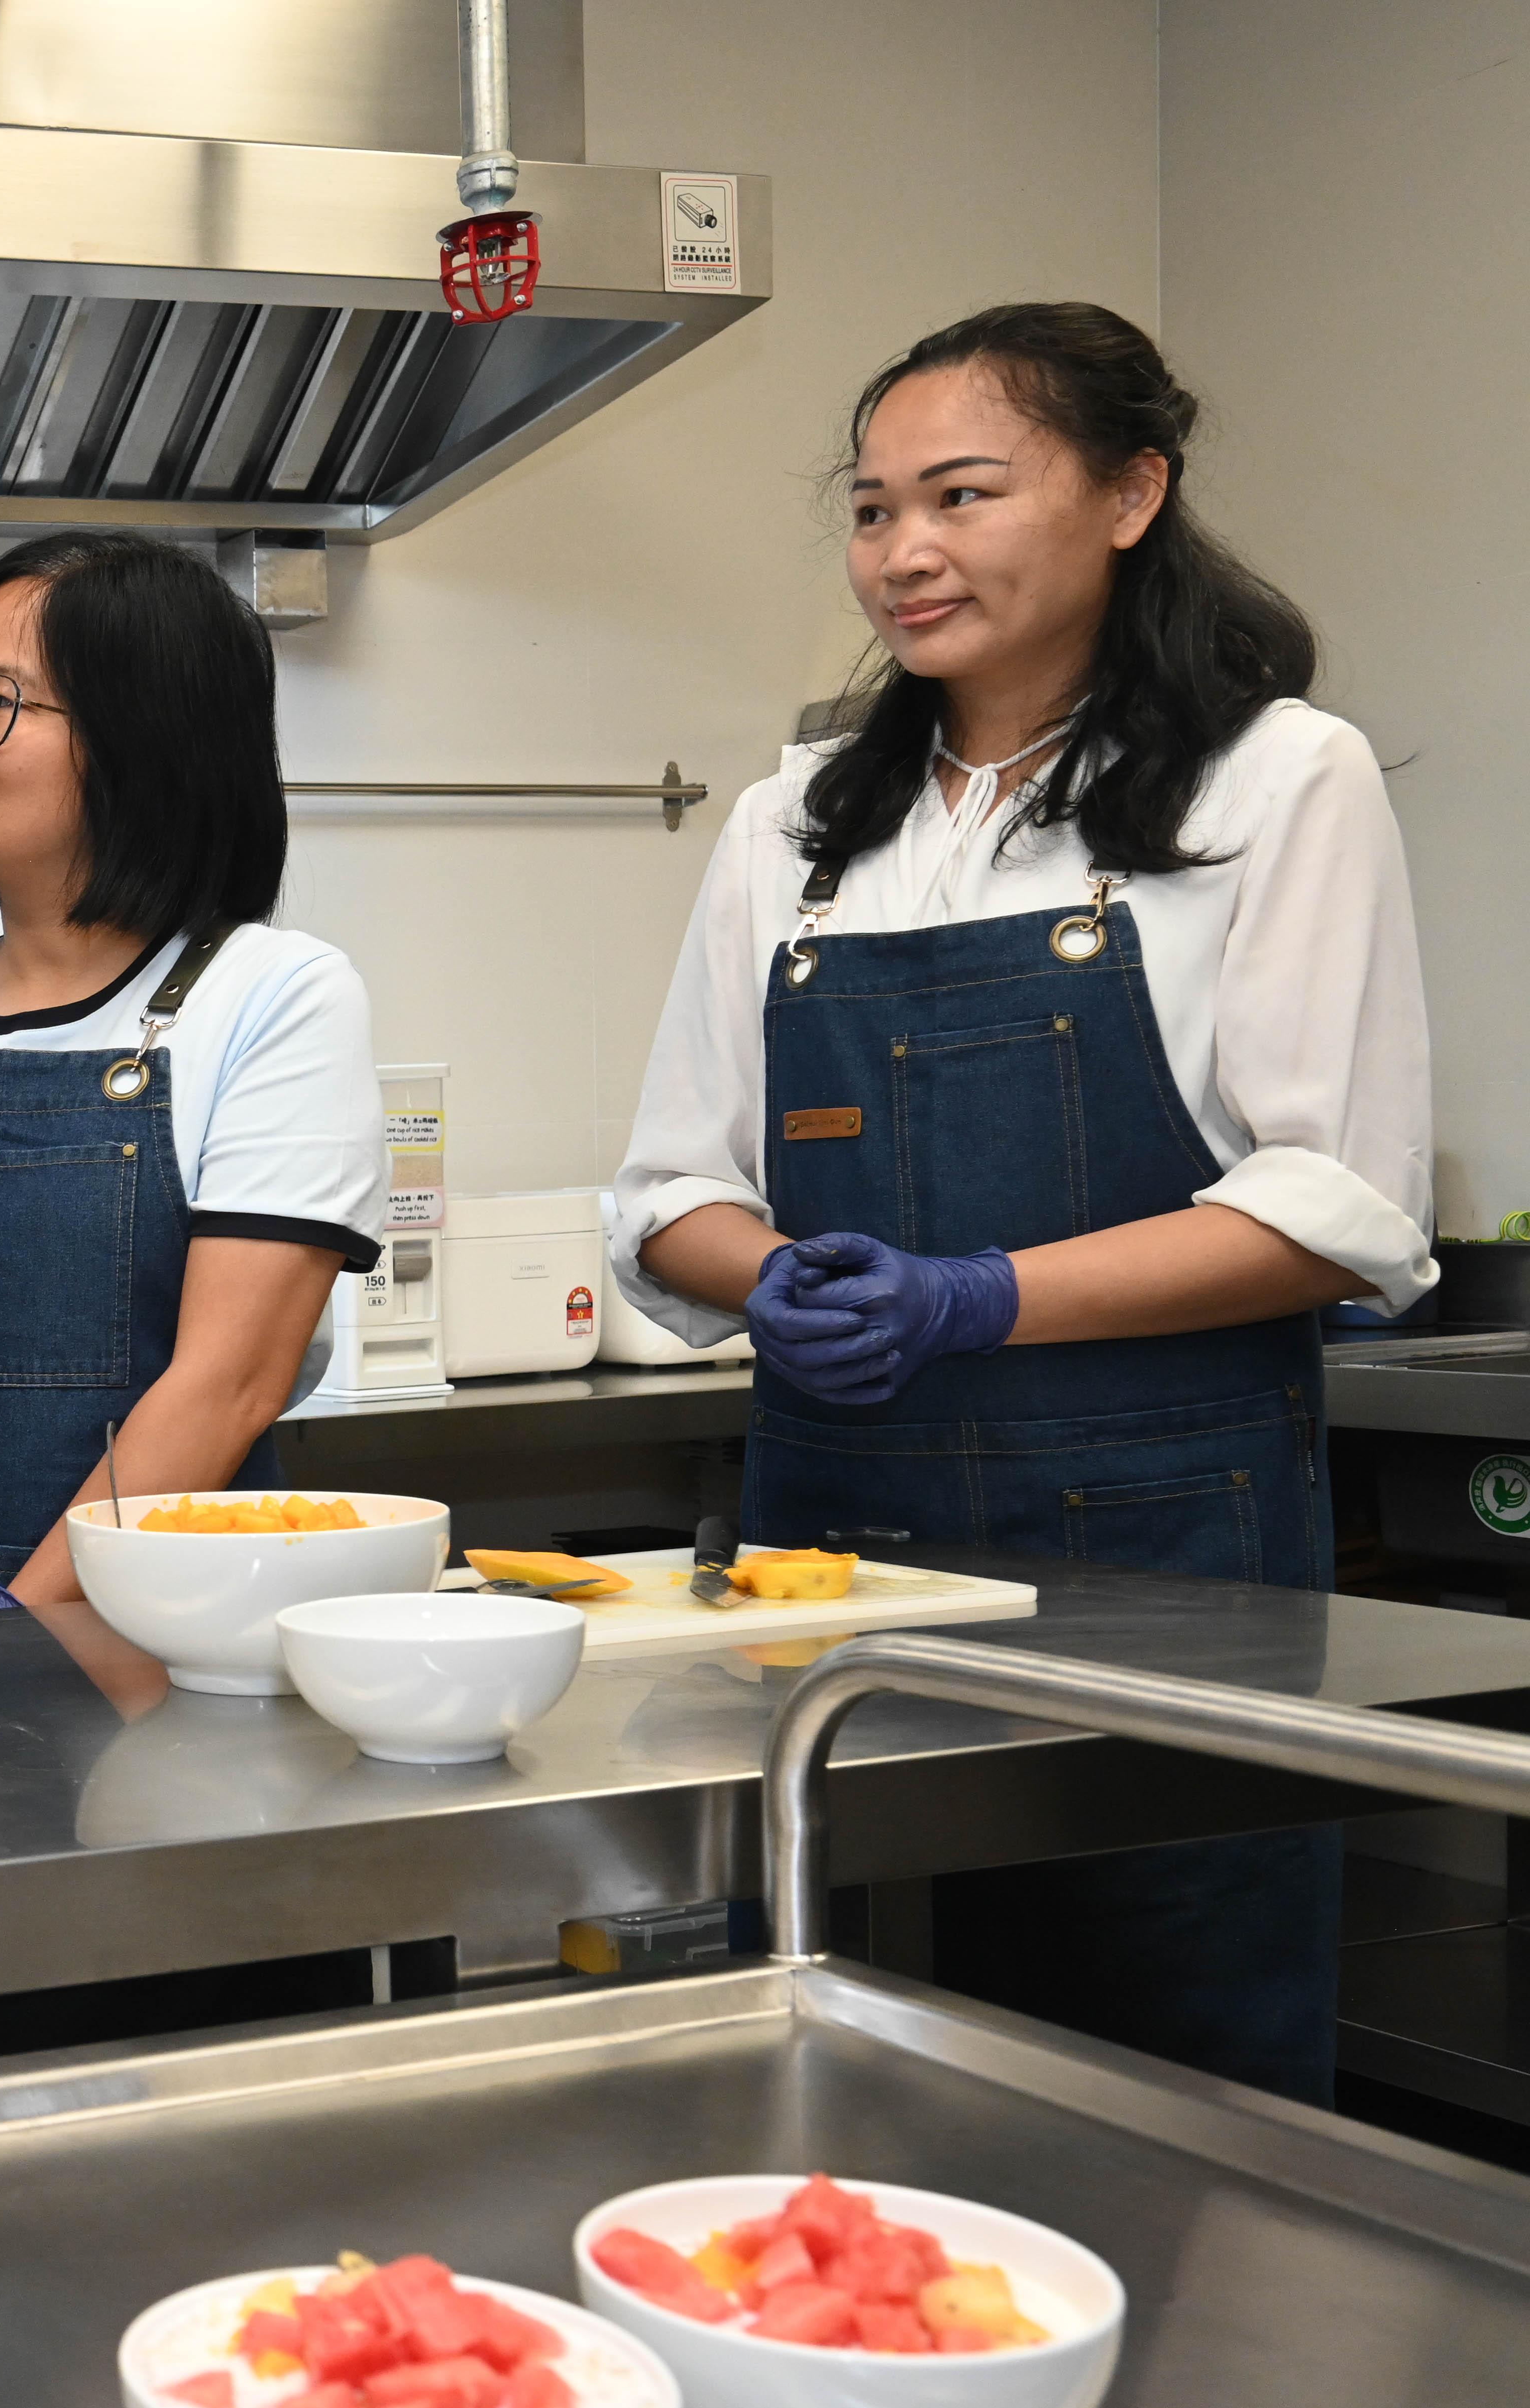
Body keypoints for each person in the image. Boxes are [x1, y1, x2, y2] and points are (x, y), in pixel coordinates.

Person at [611, 301, 1435, 2103]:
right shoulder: (790, 824)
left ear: (1130, 492)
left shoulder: (1276, 777)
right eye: (869, 508)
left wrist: (974, 1299)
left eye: (959, 495)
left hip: (1169, 1562)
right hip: (837, 1558)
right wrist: (775, 1280)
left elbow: (1335, 1203)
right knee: (854, 2054)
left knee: (1176, 2075)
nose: (899, 552)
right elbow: (669, 1187)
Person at [0, 529, 384, 1614]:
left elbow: (226, 1384)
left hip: (169, 1641)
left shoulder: (272, 997)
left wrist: (16, 1633)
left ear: (145, 740)